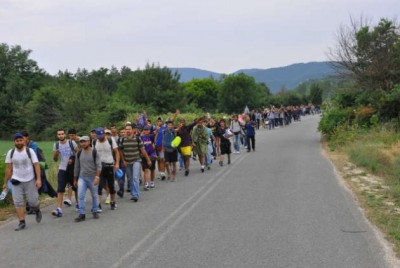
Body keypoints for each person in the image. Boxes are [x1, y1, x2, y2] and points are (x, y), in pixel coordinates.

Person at [3, 133, 42, 231]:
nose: (19, 142)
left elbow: (36, 165)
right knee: (18, 202)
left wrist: (38, 179)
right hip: (16, 180)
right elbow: (8, 169)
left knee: (33, 202)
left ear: (24, 141)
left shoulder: (30, 151)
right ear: (14, 142)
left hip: (30, 180)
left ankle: (37, 210)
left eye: (21, 140)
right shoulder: (10, 153)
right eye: (17, 141)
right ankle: (22, 222)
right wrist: (5, 182)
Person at [119, 123, 152, 202]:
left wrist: (148, 159)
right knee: (130, 178)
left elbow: (142, 150)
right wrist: (123, 160)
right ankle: (133, 193)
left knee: (135, 177)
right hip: (127, 161)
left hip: (136, 160)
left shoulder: (137, 139)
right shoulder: (122, 140)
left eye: (129, 129)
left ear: (132, 130)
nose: (128, 131)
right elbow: (120, 151)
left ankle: (135, 195)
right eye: (126, 130)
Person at [73, 136, 102, 222]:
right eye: (81, 142)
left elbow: (99, 166)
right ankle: (82, 214)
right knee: (80, 195)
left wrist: (97, 177)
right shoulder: (78, 153)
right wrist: (75, 179)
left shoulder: (94, 152)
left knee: (94, 195)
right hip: (82, 177)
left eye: (84, 142)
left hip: (93, 177)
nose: (83, 143)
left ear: (89, 142)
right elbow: (76, 167)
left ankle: (95, 210)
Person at [52, 129, 78, 217]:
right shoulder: (56, 145)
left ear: (65, 135)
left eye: (62, 134)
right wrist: (55, 154)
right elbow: (55, 160)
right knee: (60, 189)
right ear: (57, 136)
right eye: (59, 134)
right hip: (62, 168)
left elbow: (78, 154)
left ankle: (78, 204)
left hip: (72, 169)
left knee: (75, 187)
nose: (61, 136)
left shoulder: (72, 143)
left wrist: (72, 159)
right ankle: (59, 209)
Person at [92, 127, 120, 211]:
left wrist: (117, 163)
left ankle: (113, 201)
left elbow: (116, 152)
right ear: (96, 135)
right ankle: (98, 204)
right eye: (99, 136)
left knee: (111, 186)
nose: (100, 137)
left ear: (104, 134)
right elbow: (93, 154)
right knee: (99, 186)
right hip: (99, 167)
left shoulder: (110, 140)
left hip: (109, 165)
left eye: (102, 135)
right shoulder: (94, 142)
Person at [140, 125, 157, 190]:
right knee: (146, 170)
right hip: (144, 155)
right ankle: (146, 183)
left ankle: (152, 182)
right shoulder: (141, 138)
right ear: (143, 131)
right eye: (145, 130)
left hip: (152, 154)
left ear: (149, 131)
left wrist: (157, 129)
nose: (146, 131)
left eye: (148, 130)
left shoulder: (151, 136)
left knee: (152, 169)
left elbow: (156, 133)